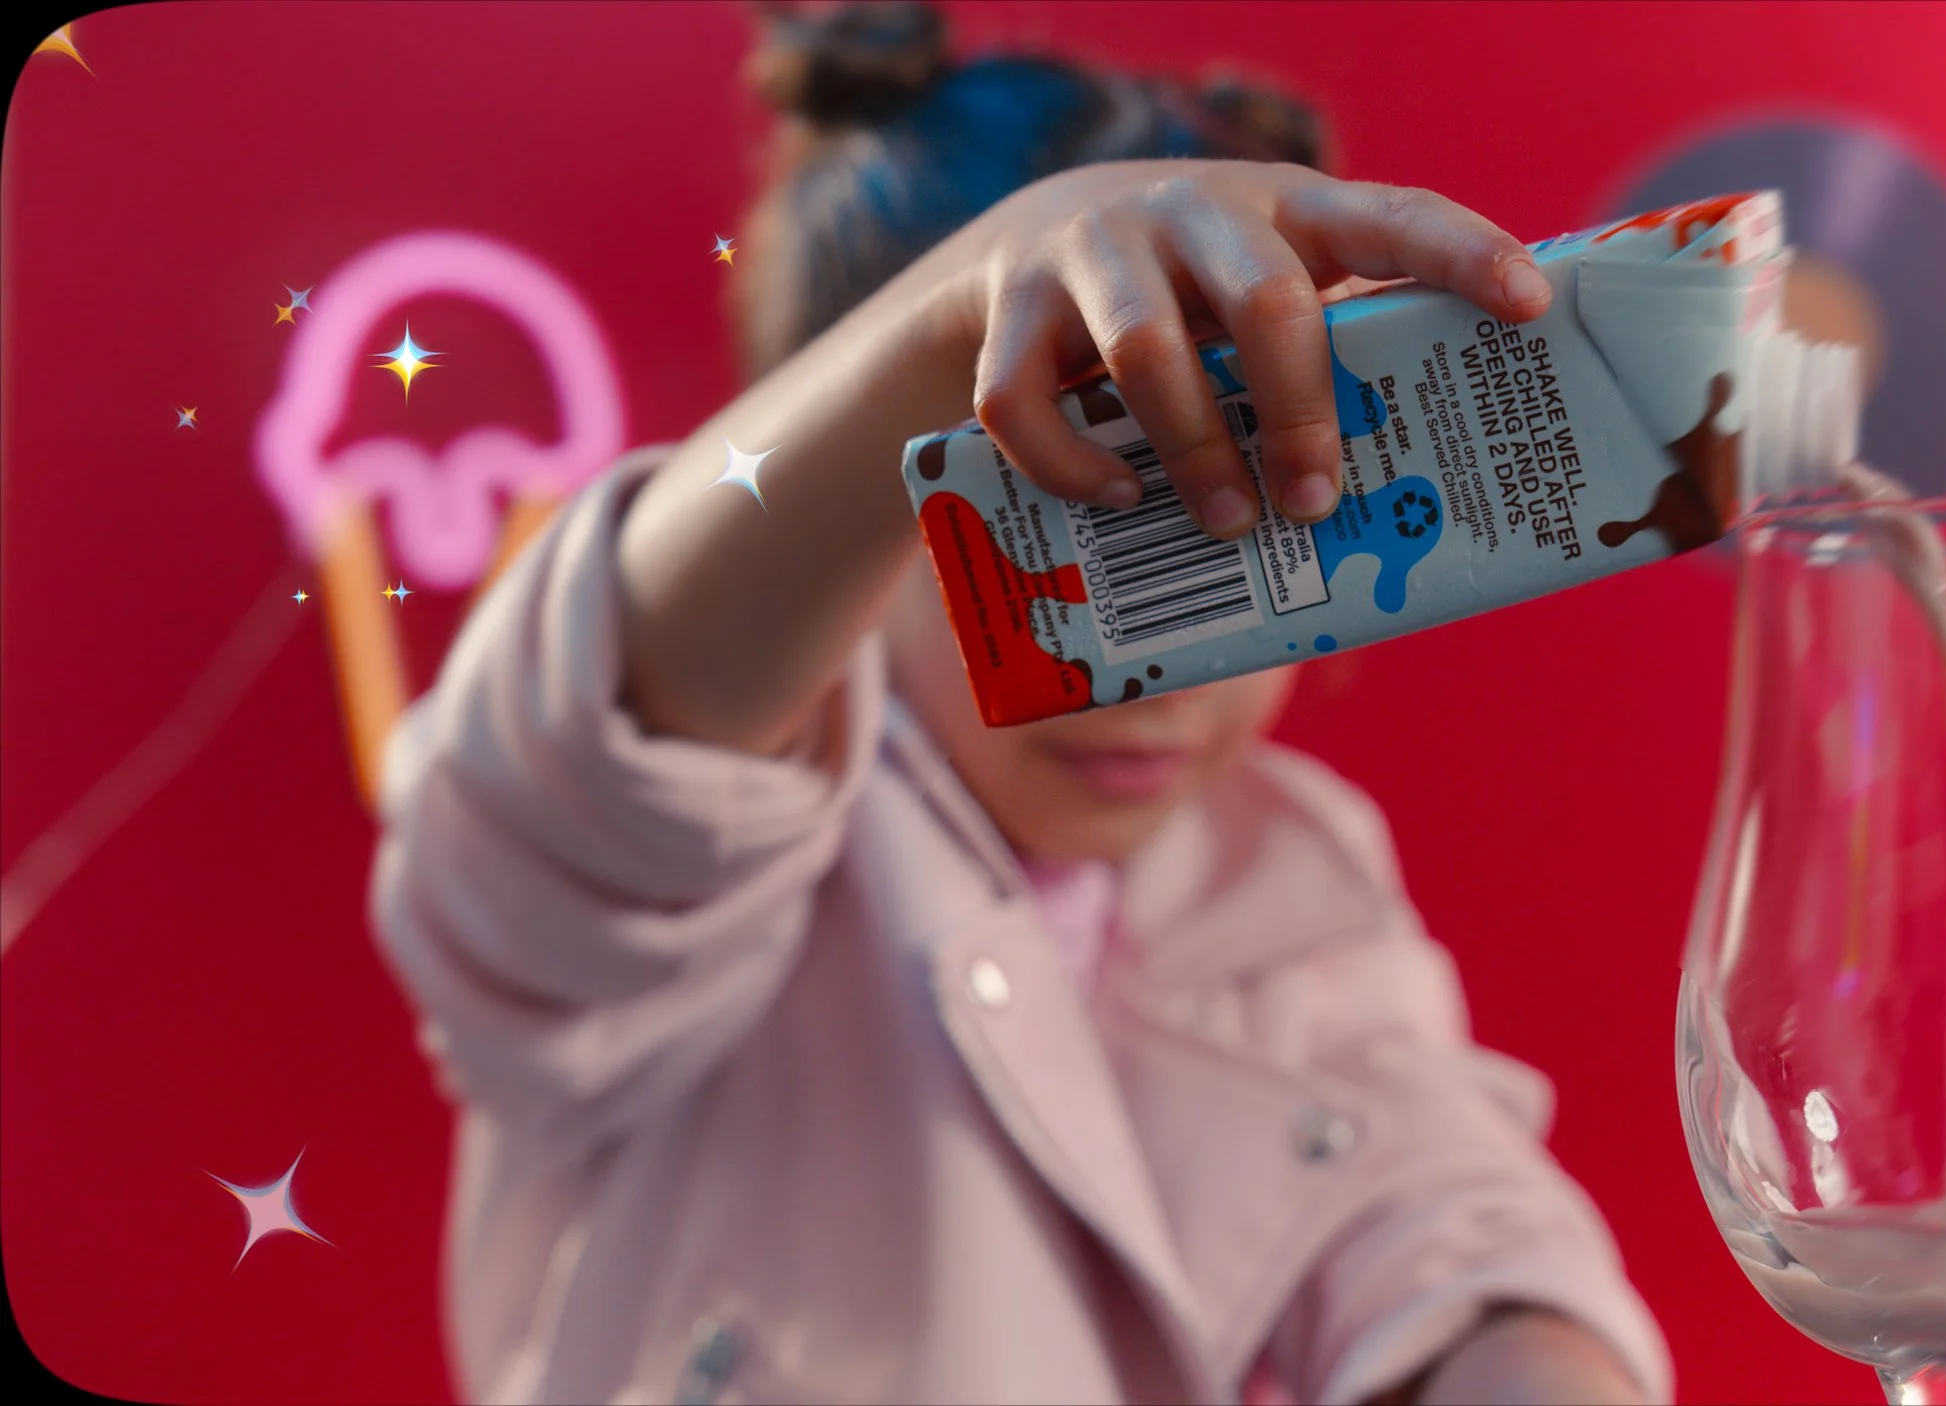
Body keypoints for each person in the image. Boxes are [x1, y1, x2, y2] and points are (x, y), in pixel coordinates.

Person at [368, 4, 1668, 1402]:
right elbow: (589, 769)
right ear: (844, 538)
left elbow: (1444, 1228)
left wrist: (1528, 1351)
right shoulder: (706, 846)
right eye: (1074, 540)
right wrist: (953, 324)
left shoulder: (1289, 869)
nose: (1164, 682)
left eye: (1253, 563)